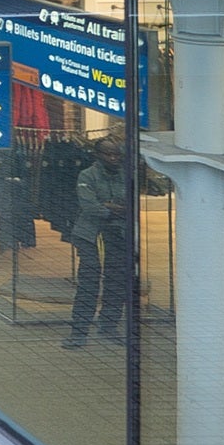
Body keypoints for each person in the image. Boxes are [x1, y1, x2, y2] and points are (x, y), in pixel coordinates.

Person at [63, 133, 132, 349]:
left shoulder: (125, 175)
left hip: (118, 234)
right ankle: (79, 331)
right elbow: (89, 207)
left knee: (117, 281)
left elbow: (130, 204)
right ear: (98, 155)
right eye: (108, 154)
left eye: (116, 154)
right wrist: (112, 208)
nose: (113, 158)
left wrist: (109, 206)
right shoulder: (87, 175)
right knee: (89, 280)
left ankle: (109, 325)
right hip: (90, 234)